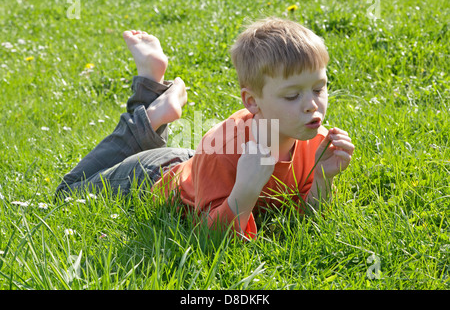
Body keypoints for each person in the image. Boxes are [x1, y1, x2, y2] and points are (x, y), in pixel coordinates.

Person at [56, 17, 355, 239]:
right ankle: (152, 112)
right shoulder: (225, 148)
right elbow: (206, 236)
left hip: (196, 165)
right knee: (67, 193)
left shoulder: (310, 138)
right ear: (253, 101)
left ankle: (152, 87)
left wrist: (322, 178)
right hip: (152, 175)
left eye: (319, 88)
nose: (311, 105)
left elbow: (304, 216)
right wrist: (245, 191)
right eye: (292, 95)